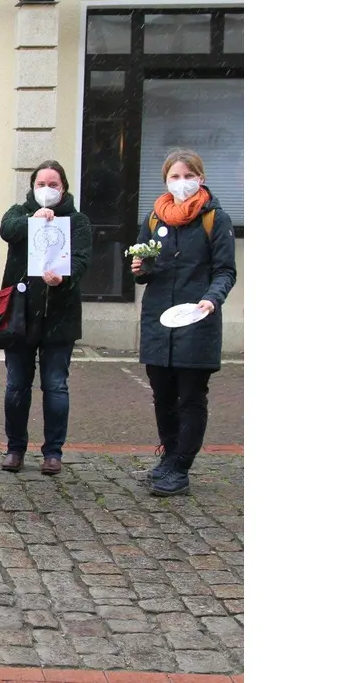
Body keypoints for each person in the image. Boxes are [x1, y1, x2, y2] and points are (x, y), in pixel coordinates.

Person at [131, 149, 237, 498]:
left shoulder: (214, 218)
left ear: (200, 178)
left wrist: (212, 298)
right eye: (174, 177)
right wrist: (141, 268)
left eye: (187, 176)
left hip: (197, 320)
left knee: (191, 396)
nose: (181, 183)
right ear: (165, 181)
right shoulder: (154, 218)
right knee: (162, 394)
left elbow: (225, 270)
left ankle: (180, 466)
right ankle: (168, 454)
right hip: (159, 321)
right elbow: (143, 263)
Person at [0, 161, 93, 476]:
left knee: (55, 386)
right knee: (16, 385)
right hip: (20, 316)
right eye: (41, 184)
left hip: (59, 316)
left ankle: (53, 453)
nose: (47, 190)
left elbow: (81, 259)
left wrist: (62, 279)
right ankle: (15, 448)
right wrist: (31, 220)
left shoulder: (77, 221)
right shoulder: (18, 212)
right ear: (32, 187)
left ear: (63, 187)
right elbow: (6, 230)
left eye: (53, 184)